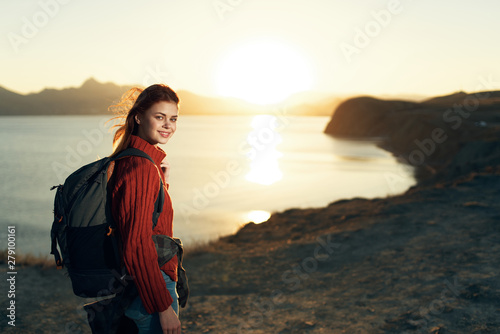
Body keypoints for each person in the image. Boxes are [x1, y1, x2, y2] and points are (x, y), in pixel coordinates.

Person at [108, 84, 181, 334]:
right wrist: (163, 307)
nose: (168, 125)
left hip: (144, 286)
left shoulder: (137, 161)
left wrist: (163, 183)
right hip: (152, 290)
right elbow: (137, 243)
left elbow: (150, 223)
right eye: (159, 117)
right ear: (139, 117)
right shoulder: (139, 167)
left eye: (173, 119)